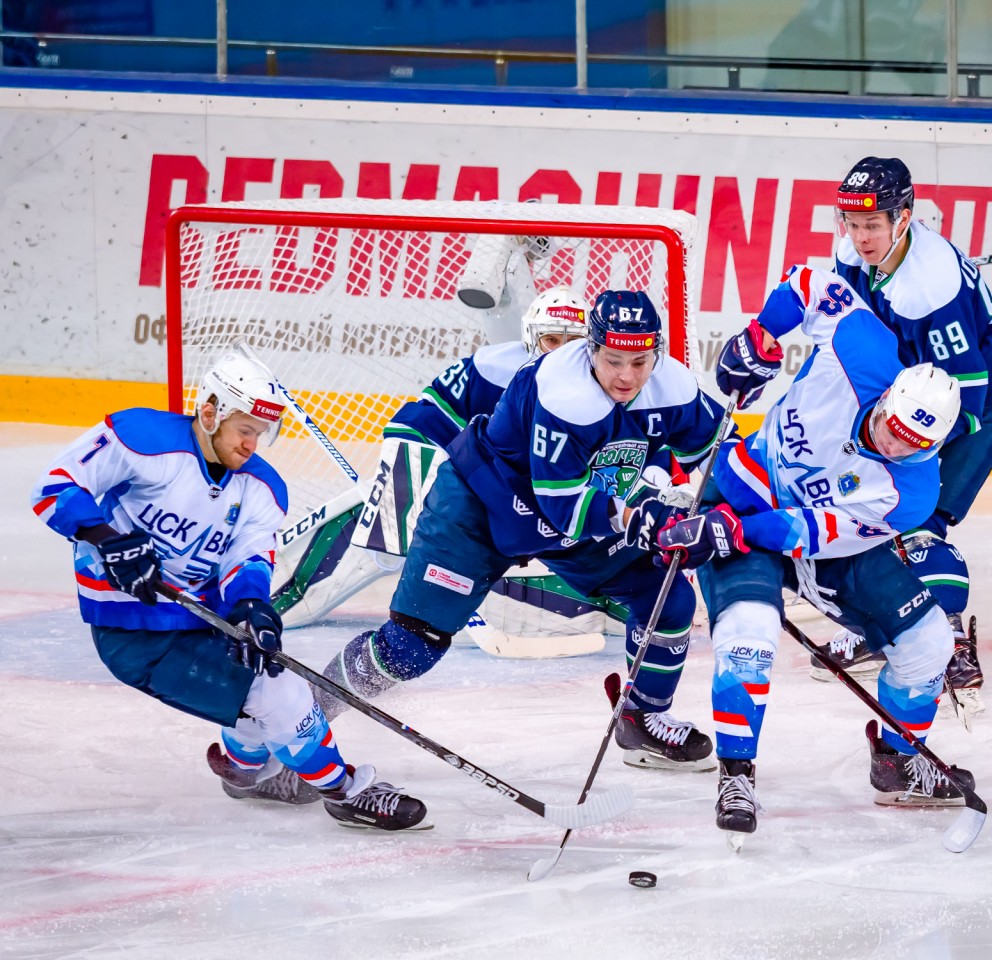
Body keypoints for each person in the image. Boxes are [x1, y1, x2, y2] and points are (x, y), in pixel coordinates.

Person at [316, 290, 729, 771]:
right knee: (411, 647)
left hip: (570, 519)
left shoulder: (672, 388)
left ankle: (641, 716)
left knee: (668, 595)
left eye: (640, 361)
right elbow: (565, 507)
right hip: (481, 508)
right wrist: (643, 519)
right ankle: (303, 720)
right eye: (614, 360)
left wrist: (727, 510)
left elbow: (722, 453)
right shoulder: (562, 390)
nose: (627, 376)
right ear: (591, 348)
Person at [30, 353, 428, 830]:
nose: (252, 443)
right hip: (133, 631)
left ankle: (244, 766)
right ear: (211, 410)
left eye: (261, 432)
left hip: (204, 621)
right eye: (245, 428)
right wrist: (107, 540)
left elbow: (248, 560)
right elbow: (53, 486)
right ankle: (344, 792)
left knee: (257, 671)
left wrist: (252, 607)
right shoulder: (141, 438)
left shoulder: (263, 489)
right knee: (279, 691)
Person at [664, 266, 979, 840]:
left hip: (816, 541)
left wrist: (728, 532)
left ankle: (897, 759)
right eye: (890, 427)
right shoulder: (863, 349)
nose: (890, 443)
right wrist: (762, 336)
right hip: (743, 484)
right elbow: (810, 281)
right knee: (751, 632)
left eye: (912, 445)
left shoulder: (911, 493)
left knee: (930, 640)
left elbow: (809, 531)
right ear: (886, 398)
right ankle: (737, 772)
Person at [272, 286, 618, 643]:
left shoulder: (598, 392)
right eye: (550, 340)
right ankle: (345, 567)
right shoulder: (492, 369)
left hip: (509, 493)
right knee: (398, 540)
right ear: (532, 338)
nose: (560, 353)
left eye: (572, 343)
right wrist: (408, 495)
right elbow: (420, 422)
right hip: (458, 474)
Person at [828, 156, 992, 707]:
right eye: (851, 223)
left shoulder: (930, 286)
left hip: (988, 394)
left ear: (905, 217)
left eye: (872, 225)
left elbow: (970, 390)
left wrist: (907, 454)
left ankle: (948, 637)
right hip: (918, 382)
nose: (860, 236)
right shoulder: (853, 252)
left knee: (922, 519)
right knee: (870, 507)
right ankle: (886, 624)